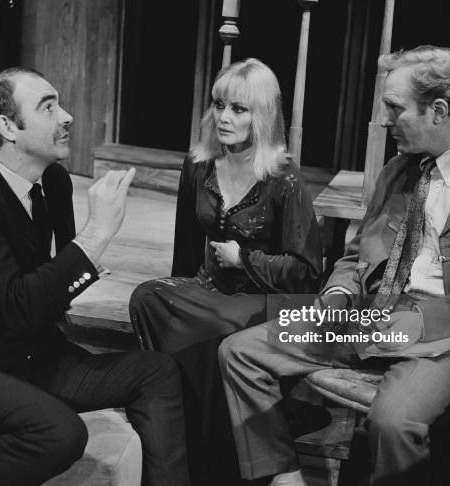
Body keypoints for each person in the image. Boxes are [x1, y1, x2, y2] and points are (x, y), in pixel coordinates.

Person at [219, 45, 450, 486]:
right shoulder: (399, 170)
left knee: (394, 422)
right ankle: (284, 478)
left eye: (395, 108)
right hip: (370, 315)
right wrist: (338, 295)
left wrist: (409, 326)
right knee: (240, 352)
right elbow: (358, 257)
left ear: (437, 110)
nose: (384, 119)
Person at [0, 67, 189, 486]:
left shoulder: (52, 182)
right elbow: (17, 307)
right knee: (58, 432)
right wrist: (97, 235)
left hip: (27, 355)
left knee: (157, 372)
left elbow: (50, 287)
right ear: (8, 127)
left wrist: (76, 268)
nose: (68, 116)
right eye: (49, 107)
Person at [129, 58, 322, 485]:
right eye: (219, 105)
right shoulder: (198, 164)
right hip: (210, 290)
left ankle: (223, 459)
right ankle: (181, 435)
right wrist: (181, 293)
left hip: (264, 298)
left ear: (263, 115)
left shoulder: (283, 179)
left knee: (215, 328)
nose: (224, 117)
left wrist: (246, 260)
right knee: (148, 297)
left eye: (239, 109)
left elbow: (307, 272)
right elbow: (184, 248)